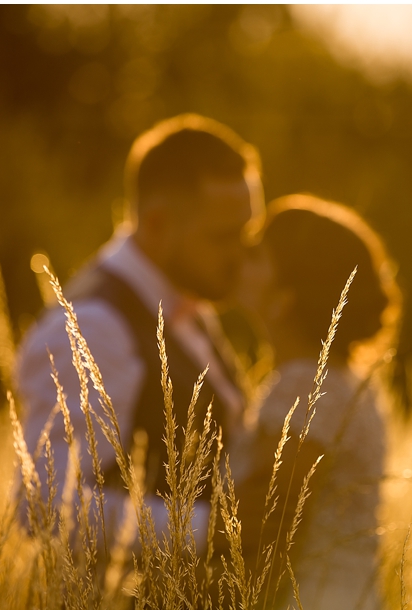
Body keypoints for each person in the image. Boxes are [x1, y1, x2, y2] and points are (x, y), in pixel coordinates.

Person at [15, 114, 262, 549]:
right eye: (224, 237)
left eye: (248, 233)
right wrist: (211, 531)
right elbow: (42, 502)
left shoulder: (184, 297)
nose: (242, 255)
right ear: (157, 225)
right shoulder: (95, 325)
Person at [237, 194, 401, 610]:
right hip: (350, 609)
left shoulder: (306, 387)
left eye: (257, 257)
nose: (240, 261)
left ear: (285, 297)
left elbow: (268, 529)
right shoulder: (338, 382)